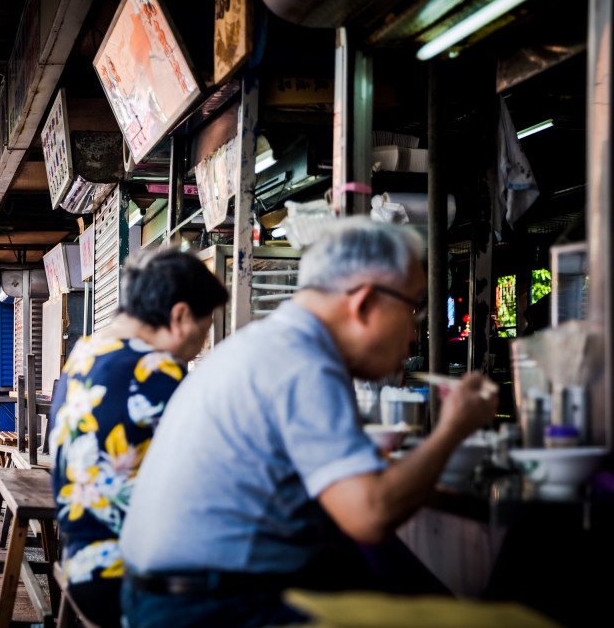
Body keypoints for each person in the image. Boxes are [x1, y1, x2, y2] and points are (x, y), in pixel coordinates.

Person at [119, 218, 499, 628]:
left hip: (165, 598)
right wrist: (454, 427)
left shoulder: (267, 344)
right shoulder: (303, 361)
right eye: (412, 309)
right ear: (365, 303)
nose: (413, 335)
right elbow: (370, 515)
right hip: (211, 609)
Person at [49, 248, 229, 628]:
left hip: (82, 565)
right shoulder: (154, 368)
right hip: (133, 577)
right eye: (205, 328)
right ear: (180, 316)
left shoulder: (86, 353)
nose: (200, 346)